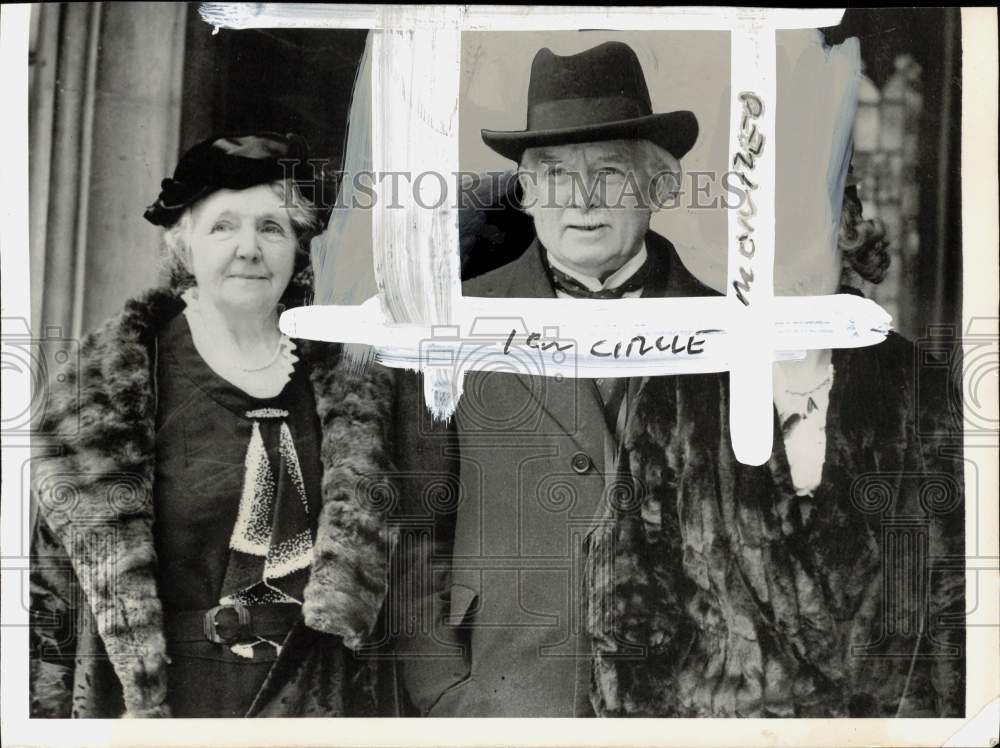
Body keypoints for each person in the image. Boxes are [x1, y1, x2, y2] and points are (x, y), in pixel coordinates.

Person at [29, 133, 399, 718]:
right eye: (223, 226)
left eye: (272, 228)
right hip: (170, 704)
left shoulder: (352, 385)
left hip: (320, 704)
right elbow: (51, 604)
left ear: (300, 248)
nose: (249, 249)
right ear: (184, 245)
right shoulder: (110, 390)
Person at [398, 41, 717, 717]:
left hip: (689, 697)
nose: (583, 200)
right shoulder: (451, 322)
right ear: (529, 192)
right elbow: (411, 526)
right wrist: (446, 696)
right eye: (556, 176)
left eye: (610, 172)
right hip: (508, 690)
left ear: (658, 188)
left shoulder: (728, 331)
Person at [587, 181, 966, 717]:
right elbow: (626, 608)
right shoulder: (681, 389)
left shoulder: (919, 387)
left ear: (846, 232)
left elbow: (957, 604)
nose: (778, 260)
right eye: (758, 236)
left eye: (800, 231)